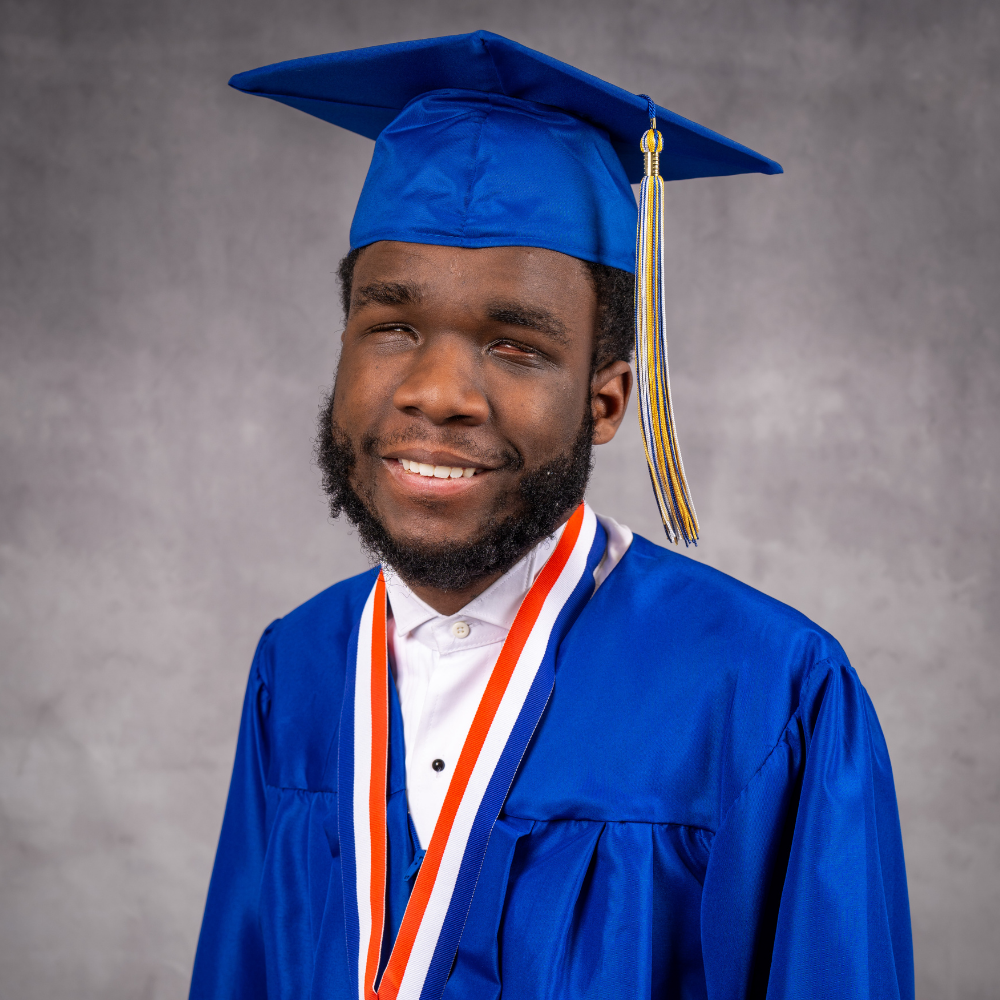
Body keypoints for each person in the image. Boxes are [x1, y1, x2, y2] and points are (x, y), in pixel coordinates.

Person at [190, 31, 913, 1000]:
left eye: (516, 344)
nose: (438, 391)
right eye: (392, 326)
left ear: (606, 400)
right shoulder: (299, 666)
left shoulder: (765, 694)